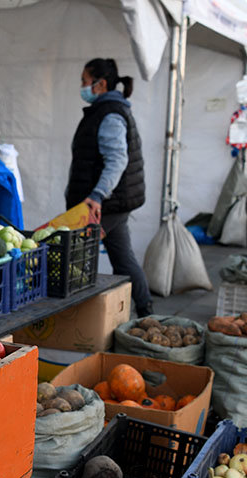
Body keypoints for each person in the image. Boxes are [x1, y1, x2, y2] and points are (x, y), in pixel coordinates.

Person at [65, 58, 152, 317]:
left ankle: (82, 320)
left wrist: (97, 195)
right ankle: (146, 311)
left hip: (104, 204)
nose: (81, 86)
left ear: (100, 84)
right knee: (123, 259)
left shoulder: (110, 114)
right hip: (113, 202)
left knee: (78, 262)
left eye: (84, 81)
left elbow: (117, 160)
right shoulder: (106, 110)